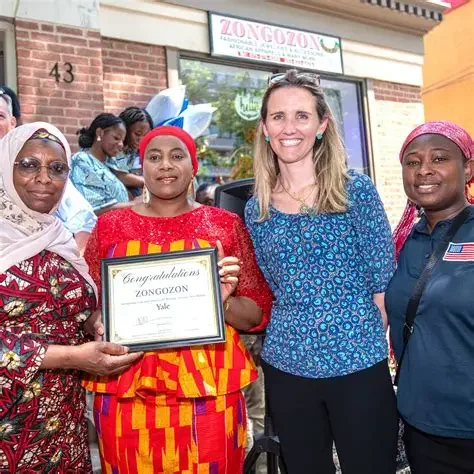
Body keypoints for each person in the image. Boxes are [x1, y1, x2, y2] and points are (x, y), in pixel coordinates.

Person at [83, 125, 273, 473]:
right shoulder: (110, 226)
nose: (165, 165)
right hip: (127, 391)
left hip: (209, 393)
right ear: (142, 168)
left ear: (193, 165)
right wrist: (95, 320)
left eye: (176, 155)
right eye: (154, 157)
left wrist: (221, 301)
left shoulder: (225, 225)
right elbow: (88, 309)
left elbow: (255, 315)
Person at [245, 69, 398, 473]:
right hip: (287, 368)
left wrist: (355, 337)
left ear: (321, 125)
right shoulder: (256, 208)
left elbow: (384, 283)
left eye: (301, 116)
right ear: (264, 127)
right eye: (278, 117)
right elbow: (270, 287)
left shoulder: (355, 191)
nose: (289, 127)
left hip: (358, 365)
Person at [0, 122, 142, 472]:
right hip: (7, 424)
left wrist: (94, 321)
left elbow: (71, 311)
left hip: (63, 423)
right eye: (29, 164)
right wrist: (71, 357)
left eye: (57, 168)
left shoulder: (59, 235)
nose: (44, 178)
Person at [386, 121, 474, 474]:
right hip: (423, 427)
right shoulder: (403, 240)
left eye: (440, 158)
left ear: (467, 168)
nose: (424, 170)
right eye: (412, 162)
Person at [0, 87, 97, 253]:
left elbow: (83, 219)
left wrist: (73, 259)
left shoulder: (42, 164)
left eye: (0, 116)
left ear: (13, 122)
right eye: (28, 165)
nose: (43, 178)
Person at [70, 113, 132, 215]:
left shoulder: (109, 166)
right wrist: (135, 205)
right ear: (100, 133)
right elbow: (95, 208)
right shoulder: (82, 160)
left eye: (122, 141)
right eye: (116, 138)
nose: (121, 145)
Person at [106, 106, 153, 197]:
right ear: (125, 130)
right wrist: (148, 182)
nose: (141, 140)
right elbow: (121, 176)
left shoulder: (132, 151)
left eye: (146, 135)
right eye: (137, 134)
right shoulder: (117, 148)